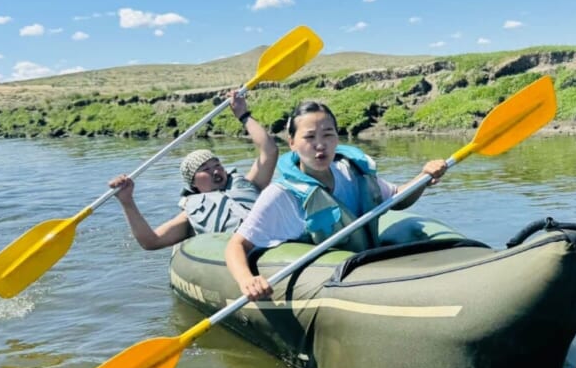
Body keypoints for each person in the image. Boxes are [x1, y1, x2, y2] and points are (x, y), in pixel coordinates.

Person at [225, 100, 447, 301]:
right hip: (328, 282)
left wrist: (423, 178)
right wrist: (247, 280)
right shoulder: (281, 194)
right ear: (292, 143)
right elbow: (237, 244)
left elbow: (396, 198)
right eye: (309, 137)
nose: (320, 145)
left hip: (367, 267)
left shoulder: (350, 172)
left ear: (337, 139)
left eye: (328, 135)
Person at [108, 90, 278, 250]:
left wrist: (243, 115)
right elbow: (151, 241)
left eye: (217, 165)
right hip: (246, 252)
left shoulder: (250, 184)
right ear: (193, 183)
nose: (215, 171)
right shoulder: (190, 214)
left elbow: (269, 151)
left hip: (279, 238)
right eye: (205, 169)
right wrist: (127, 201)